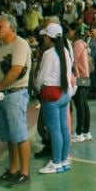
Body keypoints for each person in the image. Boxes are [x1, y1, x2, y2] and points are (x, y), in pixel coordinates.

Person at [0, 14, 32, 187]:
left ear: (11, 28)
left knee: (19, 134)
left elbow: (16, 70)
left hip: (15, 93)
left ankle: (24, 172)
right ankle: (13, 170)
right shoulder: (3, 46)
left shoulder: (20, 44)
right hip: (4, 94)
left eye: (0, 26)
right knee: (10, 135)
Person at [33, 22, 73, 174]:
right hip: (64, 93)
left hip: (51, 94)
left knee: (54, 130)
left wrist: (36, 87)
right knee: (63, 128)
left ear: (49, 37)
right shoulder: (65, 51)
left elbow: (41, 77)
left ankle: (55, 162)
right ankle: (63, 160)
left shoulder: (49, 54)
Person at [68, 23, 92, 142]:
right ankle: (86, 131)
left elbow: (73, 61)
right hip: (85, 76)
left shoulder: (77, 44)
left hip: (79, 76)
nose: (68, 34)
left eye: (70, 31)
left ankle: (79, 132)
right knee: (84, 104)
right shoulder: (83, 44)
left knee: (80, 105)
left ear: (75, 31)